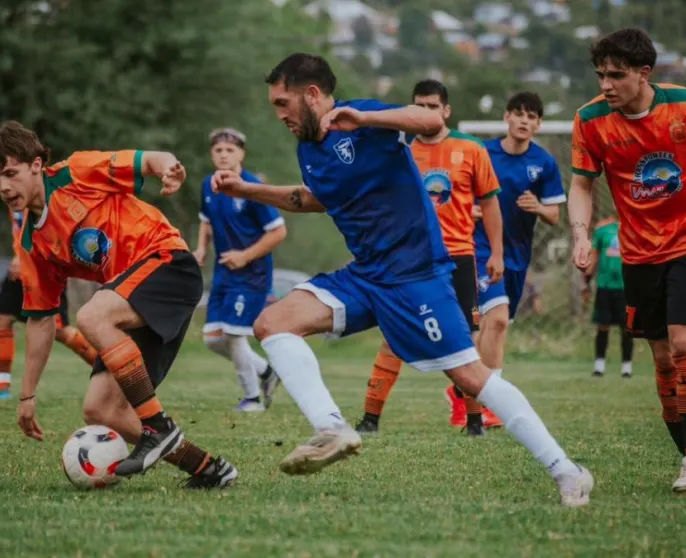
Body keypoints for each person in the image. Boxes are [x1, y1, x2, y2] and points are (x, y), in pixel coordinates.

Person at [212, 53, 594, 507]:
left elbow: (427, 118)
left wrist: (367, 116)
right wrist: (247, 189)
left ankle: (567, 472)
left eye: (282, 103)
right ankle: (332, 429)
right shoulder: (308, 148)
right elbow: (315, 199)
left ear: (311, 94)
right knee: (273, 323)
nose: (278, 115)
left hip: (416, 276)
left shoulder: (364, 118)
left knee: (471, 377)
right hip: (366, 274)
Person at [0, 121, 238, 489]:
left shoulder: (76, 172)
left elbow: (148, 160)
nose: (3, 187)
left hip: (167, 263)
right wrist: (27, 394)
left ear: (36, 164)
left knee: (91, 315)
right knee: (101, 409)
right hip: (129, 298)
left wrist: (168, 168)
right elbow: (41, 320)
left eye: (10, 173)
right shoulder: (31, 244)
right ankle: (209, 469)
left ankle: (158, 428)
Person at [567, 28, 686, 494]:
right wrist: (581, 235)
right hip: (638, 252)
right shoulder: (589, 120)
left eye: (616, 76)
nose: (606, 85)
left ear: (644, 74)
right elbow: (583, 184)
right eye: (601, 75)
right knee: (663, 358)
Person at [354, 79, 503, 436]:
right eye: (418, 106)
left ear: (446, 110)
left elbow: (490, 202)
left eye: (432, 106)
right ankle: (370, 420)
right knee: (392, 338)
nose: (425, 112)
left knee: (463, 340)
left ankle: (474, 421)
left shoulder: (471, 149)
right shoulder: (400, 152)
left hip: (459, 259)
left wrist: (496, 252)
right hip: (411, 260)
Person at [470, 92, 565, 389]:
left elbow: (554, 215)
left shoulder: (544, 162)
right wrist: (468, 208)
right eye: (519, 113)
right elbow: (461, 193)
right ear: (506, 117)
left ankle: (466, 391)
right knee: (495, 320)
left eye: (532, 116)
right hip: (482, 249)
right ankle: (490, 398)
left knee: (494, 326)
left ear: (538, 125)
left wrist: (538, 207)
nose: (524, 120)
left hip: (517, 255)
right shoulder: (482, 153)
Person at [193, 127, 285, 412]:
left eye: (230, 150)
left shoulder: (252, 187)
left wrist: (245, 256)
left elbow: (278, 232)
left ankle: (252, 398)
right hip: (224, 273)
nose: (223, 155)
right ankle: (268, 372)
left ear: (241, 154)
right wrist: (201, 249)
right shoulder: (208, 184)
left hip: (252, 274)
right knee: (213, 339)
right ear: (212, 154)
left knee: (234, 335)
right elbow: (206, 220)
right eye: (218, 150)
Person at [0, 208, 98, 400]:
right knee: (2, 319)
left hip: (43, 267)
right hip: (19, 269)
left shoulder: (42, 190)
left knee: (61, 330)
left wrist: (24, 253)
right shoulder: (11, 192)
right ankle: (0, 386)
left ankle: (109, 370)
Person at [586, 217, 634, 377]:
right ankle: (599, 366)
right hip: (605, 285)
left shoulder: (635, 228)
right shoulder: (603, 229)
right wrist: (586, 280)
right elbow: (594, 256)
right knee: (603, 324)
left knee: (627, 327)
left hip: (626, 286)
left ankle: (626, 367)